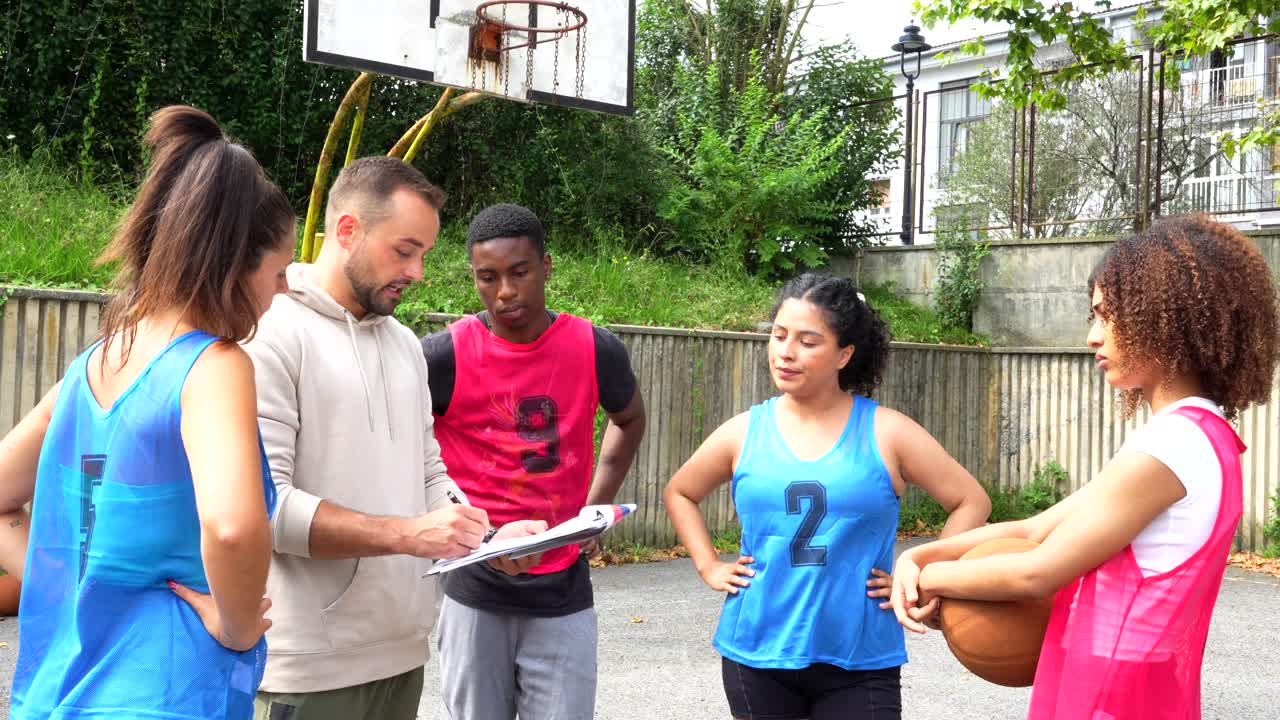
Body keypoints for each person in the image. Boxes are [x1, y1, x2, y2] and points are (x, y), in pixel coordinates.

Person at [890, 215, 1279, 720]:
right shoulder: (1199, 437)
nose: (1094, 335)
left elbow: (1037, 571)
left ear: (1166, 317)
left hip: (1111, 696)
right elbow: (1034, 530)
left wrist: (936, 576)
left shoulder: (1175, 445)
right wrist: (917, 561)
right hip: (1132, 686)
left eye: (1108, 315)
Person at [0, 105, 294, 718]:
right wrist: (239, 627)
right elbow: (234, 527)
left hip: (61, 694)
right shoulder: (213, 367)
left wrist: (70, 582)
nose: (284, 289)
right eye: (280, 269)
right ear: (235, 264)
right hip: (162, 692)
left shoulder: (92, 366)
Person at [244, 160, 543, 720]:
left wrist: (486, 538)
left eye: (424, 254)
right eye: (405, 250)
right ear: (348, 230)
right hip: (307, 666)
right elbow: (265, 507)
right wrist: (408, 535)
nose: (418, 271)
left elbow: (429, 473)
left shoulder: (406, 345)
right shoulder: (272, 332)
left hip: (402, 656)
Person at [663, 272, 991, 720]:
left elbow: (971, 500)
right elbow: (680, 491)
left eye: (807, 341)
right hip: (756, 654)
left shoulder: (887, 431)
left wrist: (923, 570)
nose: (786, 351)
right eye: (779, 335)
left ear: (844, 354)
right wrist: (708, 564)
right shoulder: (744, 432)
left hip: (860, 654)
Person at [421, 203, 648, 720]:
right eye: (488, 277)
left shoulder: (593, 348)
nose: (505, 291)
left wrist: (596, 507)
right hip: (474, 589)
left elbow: (630, 418)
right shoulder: (444, 356)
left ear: (546, 267)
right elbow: (404, 444)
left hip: (561, 586)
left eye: (519, 272)